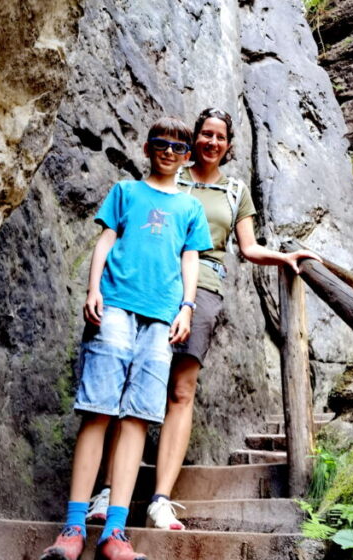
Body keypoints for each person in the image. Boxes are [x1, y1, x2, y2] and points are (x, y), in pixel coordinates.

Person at [87, 107, 320, 530]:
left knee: (181, 389)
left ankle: (160, 497)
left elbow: (248, 248)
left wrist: (283, 257)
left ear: (229, 146)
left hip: (203, 287)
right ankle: (104, 491)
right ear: (193, 139)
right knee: (127, 381)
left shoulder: (234, 190)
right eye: (205, 134)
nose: (212, 142)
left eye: (220, 137)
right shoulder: (171, 173)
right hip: (150, 282)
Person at [40, 117, 213, 560]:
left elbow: (189, 259)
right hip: (115, 305)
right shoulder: (125, 192)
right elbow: (106, 240)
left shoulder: (190, 208)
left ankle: (114, 531)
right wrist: (93, 288)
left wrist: (187, 308)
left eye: (179, 147)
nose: (169, 152)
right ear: (147, 146)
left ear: (187, 156)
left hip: (161, 318)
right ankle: (73, 527)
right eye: (161, 144)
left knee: (137, 417)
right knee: (98, 410)